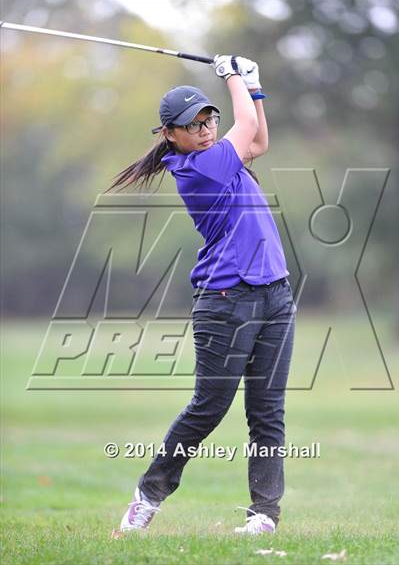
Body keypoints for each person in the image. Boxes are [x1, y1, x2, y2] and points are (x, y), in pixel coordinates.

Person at [110, 55, 296, 538]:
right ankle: (148, 495)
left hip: (275, 295)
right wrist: (234, 75)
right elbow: (248, 129)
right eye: (193, 125)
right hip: (226, 301)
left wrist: (253, 87)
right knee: (209, 407)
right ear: (170, 134)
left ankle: (264, 516)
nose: (206, 129)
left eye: (209, 119)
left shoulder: (219, 155)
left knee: (267, 412)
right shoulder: (196, 169)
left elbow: (257, 138)